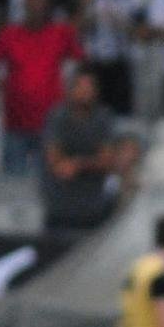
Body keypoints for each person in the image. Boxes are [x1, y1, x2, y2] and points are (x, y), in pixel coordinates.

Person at [0, 0, 84, 175]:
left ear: (48, 7)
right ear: (25, 5)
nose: (37, 8)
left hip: (50, 123)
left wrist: (70, 91)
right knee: (13, 180)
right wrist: (1, 84)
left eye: (41, 4)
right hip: (16, 121)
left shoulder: (61, 33)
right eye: (33, 3)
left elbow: (81, 63)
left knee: (47, 180)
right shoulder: (9, 34)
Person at [41, 67, 124, 234]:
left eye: (90, 87)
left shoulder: (104, 118)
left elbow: (108, 161)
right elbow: (57, 164)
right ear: (70, 90)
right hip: (60, 208)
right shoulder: (58, 117)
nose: (85, 92)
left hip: (94, 208)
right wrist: (91, 162)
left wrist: (78, 164)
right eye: (81, 87)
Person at [79, 0, 138, 116]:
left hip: (120, 62)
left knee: (121, 112)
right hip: (97, 63)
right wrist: (88, 9)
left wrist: (118, 21)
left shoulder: (128, 1)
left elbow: (138, 33)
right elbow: (81, 29)